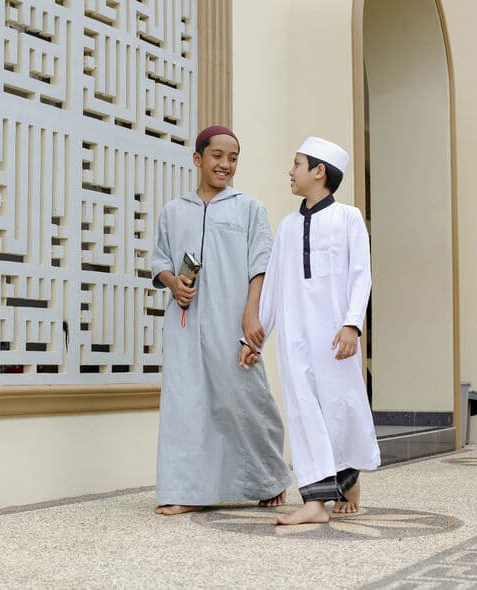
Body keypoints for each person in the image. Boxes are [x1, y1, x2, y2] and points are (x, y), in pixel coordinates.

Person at [151, 125, 292, 515]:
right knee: (185, 403)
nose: (225, 165)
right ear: (198, 159)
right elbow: (159, 259)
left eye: (232, 158)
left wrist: (251, 315)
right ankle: (185, 491)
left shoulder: (249, 208)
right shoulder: (173, 210)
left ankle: (270, 477)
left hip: (231, 320)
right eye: (217, 156)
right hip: (184, 323)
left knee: (244, 398)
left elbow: (261, 265)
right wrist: (172, 283)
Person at [240, 136, 381, 525]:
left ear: (319, 172)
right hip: (295, 337)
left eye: (297, 163)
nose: (291, 170)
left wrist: (352, 324)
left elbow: (360, 275)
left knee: (341, 405)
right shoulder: (286, 227)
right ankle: (316, 502)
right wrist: (254, 338)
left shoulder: (349, 218)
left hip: (336, 335)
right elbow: (273, 288)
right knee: (303, 410)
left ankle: (349, 478)